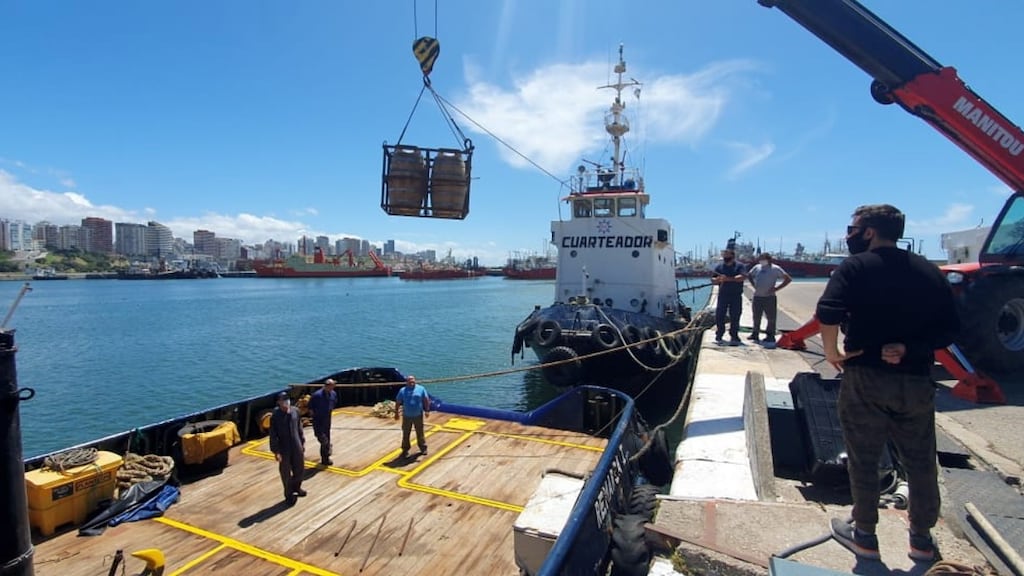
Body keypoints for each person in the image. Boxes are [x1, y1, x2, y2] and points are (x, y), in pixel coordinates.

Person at [816, 204, 958, 563]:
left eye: (853, 228)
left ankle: (864, 533)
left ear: (868, 232)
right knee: (921, 460)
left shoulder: (855, 266)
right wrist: (909, 348)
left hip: (866, 376)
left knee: (863, 456)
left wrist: (832, 351)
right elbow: (952, 328)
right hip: (916, 380)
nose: (848, 234)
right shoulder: (929, 270)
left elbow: (829, 311)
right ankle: (921, 540)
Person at [269, 391, 306, 505]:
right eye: (283, 400)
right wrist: (276, 451)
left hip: (296, 444)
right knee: (285, 472)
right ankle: (288, 494)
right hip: (284, 447)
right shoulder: (275, 416)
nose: (286, 401)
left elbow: (299, 427)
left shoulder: (295, 411)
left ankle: (297, 488)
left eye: (287, 399)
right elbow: (273, 435)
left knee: (299, 468)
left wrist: (302, 442)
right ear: (279, 402)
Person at [746, 253, 792, 344]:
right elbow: (749, 275)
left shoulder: (775, 268)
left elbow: (788, 279)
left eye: (763, 259)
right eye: (760, 259)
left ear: (769, 259)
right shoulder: (757, 267)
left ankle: (770, 336)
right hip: (757, 296)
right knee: (756, 316)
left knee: (771, 317)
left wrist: (776, 288)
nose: (761, 260)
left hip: (769, 297)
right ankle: (755, 333)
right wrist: (753, 284)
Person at [711, 241, 747, 345]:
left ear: (732, 255)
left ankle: (734, 335)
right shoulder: (719, 267)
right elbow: (713, 279)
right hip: (723, 295)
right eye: (724, 255)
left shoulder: (740, 266)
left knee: (735, 315)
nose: (725, 257)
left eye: (727, 255)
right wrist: (717, 280)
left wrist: (727, 279)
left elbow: (742, 277)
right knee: (719, 315)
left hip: (735, 295)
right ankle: (719, 333)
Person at [394, 375, 431, 458]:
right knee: (406, 433)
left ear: (415, 381)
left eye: (413, 381)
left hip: (418, 415)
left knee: (420, 432)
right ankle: (405, 450)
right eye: (410, 381)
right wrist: (396, 413)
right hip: (407, 416)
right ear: (406, 382)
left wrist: (427, 410)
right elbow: (398, 401)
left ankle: (423, 448)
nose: (411, 383)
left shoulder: (421, 389)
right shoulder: (402, 391)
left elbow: (426, 400)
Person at [309, 378, 338, 466]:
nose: (334, 387)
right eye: (332, 385)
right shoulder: (317, 395)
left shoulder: (333, 393)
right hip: (318, 419)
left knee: (327, 437)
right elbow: (310, 408)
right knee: (322, 438)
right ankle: (328, 447)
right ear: (327, 386)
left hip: (327, 419)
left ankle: (325, 459)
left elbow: (334, 402)